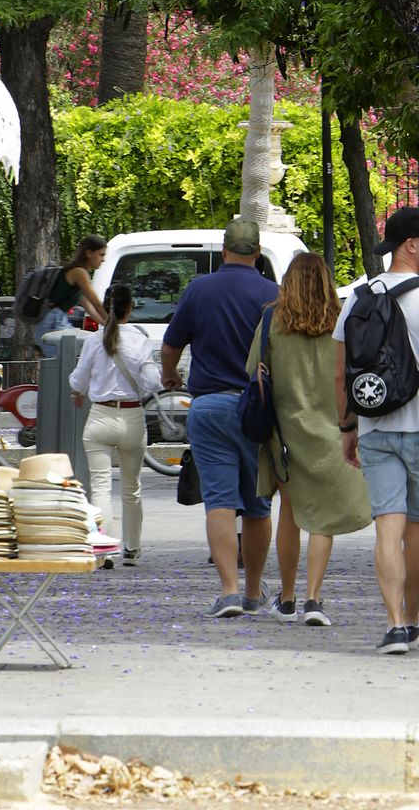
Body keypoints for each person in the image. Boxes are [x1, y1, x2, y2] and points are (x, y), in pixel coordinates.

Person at [334, 204, 419, 655]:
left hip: (375, 428)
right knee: (418, 531)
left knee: (386, 530)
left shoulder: (359, 296)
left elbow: (341, 374)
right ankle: (412, 618)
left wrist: (347, 427)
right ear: (411, 245)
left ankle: (392, 625)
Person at [160, 215, 279, 616]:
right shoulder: (272, 294)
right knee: (259, 505)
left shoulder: (198, 290)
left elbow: (171, 344)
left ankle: (228, 590)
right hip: (257, 409)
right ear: (257, 253)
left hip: (209, 407)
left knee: (220, 502)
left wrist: (169, 374)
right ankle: (253, 591)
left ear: (224, 251)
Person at [246, 250, 370, 625]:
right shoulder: (341, 321)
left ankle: (286, 598)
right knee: (323, 518)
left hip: (286, 432)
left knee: (291, 513)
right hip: (334, 429)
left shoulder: (272, 320)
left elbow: (253, 370)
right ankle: (314, 600)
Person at [70, 280, 157, 568]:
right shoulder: (140, 341)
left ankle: (103, 550)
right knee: (132, 487)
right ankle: (131, 549)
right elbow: (153, 382)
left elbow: (77, 380)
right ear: (129, 309)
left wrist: (80, 390)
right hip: (132, 417)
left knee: (100, 487)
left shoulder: (94, 340)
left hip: (99, 418)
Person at [31, 236, 106, 355]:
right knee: (69, 362)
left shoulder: (76, 277)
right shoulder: (79, 273)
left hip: (52, 320)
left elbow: (89, 307)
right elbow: (96, 303)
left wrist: (107, 324)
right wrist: (113, 323)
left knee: (79, 356)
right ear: (88, 253)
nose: (103, 260)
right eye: (101, 255)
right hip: (53, 322)